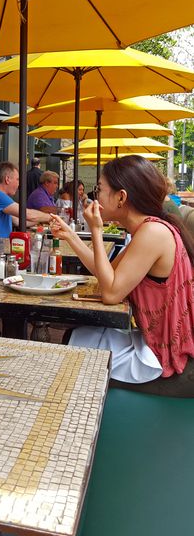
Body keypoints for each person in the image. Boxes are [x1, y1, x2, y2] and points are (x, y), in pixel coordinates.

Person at [50, 155, 194, 386]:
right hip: (151, 342)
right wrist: (71, 236)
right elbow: (105, 273)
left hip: (159, 354)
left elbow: (111, 294)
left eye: (100, 190)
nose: (95, 197)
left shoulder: (153, 233)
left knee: (75, 352)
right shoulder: (147, 230)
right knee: (78, 336)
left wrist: (96, 230)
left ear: (121, 197)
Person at [0, 161, 51, 241]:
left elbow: (19, 221)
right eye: (17, 179)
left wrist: (42, 220)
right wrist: (51, 218)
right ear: (7, 179)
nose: (19, 184)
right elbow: (27, 214)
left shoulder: (0, 197)